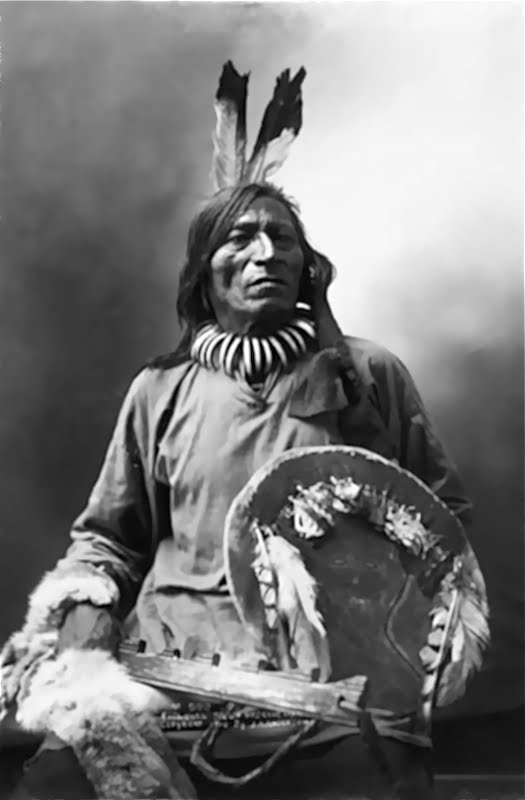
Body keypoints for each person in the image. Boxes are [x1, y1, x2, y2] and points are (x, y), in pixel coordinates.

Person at [0, 65, 473, 800]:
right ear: (205, 274)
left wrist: (394, 628)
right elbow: (109, 541)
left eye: (283, 239)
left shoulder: (368, 375)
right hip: (164, 677)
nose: (266, 253)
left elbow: (442, 524)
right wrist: (83, 629)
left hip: (326, 689)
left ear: (308, 267)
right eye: (241, 238)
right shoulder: (160, 391)